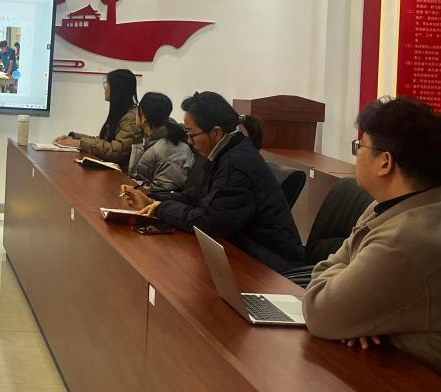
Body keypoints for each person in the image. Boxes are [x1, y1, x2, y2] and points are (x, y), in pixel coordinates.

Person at [302, 97, 441, 391]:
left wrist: (358, 314)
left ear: (385, 162)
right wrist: (365, 317)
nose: (357, 155)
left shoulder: (408, 239)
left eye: (360, 147)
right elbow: (336, 274)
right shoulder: (400, 206)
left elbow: (319, 311)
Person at [120, 91, 304, 273]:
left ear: (216, 132)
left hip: (270, 268)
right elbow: (194, 196)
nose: (189, 142)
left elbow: (209, 223)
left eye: (191, 133)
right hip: (244, 252)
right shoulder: (226, 152)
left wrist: (159, 208)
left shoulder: (235, 165)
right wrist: (150, 198)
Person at [55, 69, 143, 169]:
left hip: (120, 174)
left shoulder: (132, 118)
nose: (104, 87)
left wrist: (79, 143)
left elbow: (115, 151)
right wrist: (75, 137)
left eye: (106, 83)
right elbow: (103, 140)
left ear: (117, 88)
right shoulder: (121, 112)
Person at [127, 92, 194, 193]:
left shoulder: (171, 150)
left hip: (157, 201)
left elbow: (164, 192)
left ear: (144, 117)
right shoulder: (152, 138)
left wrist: (133, 189)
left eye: (138, 110)